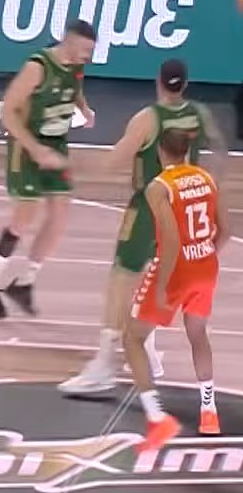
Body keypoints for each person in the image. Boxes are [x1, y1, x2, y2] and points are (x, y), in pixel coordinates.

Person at [60, 59, 225, 395]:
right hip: (182, 201)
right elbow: (220, 147)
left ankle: (104, 366)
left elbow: (112, 162)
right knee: (155, 277)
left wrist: (69, 164)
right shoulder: (199, 113)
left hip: (149, 208)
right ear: (185, 84)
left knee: (121, 280)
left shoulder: (148, 119)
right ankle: (149, 353)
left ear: (159, 82)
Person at [0, 19, 96, 319]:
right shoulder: (38, 66)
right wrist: (35, 148)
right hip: (26, 145)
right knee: (23, 219)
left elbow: (76, 85)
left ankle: (25, 282)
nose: (88, 56)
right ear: (67, 41)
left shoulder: (76, 65)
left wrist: (84, 107)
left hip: (55, 144)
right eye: (84, 50)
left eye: (91, 52)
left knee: (59, 216)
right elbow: (6, 111)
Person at [124, 128, 229, 452]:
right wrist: (204, 255)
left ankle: (158, 420)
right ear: (187, 151)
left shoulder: (159, 187)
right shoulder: (206, 178)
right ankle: (209, 412)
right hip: (206, 265)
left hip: (176, 270)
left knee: (133, 337)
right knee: (198, 335)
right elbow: (226, 230)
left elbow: (169, 241)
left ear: (161, 153)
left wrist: (163, 286)